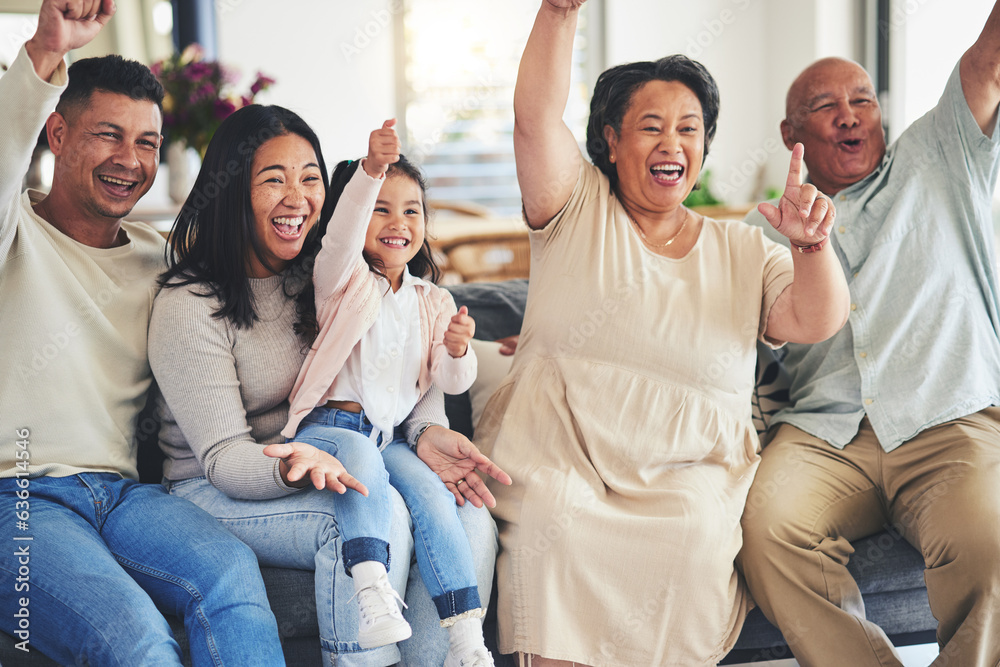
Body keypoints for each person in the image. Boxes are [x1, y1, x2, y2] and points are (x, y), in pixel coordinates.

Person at [472, 0, 850, 664]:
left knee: (699, 529)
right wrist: (559, 13)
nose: (672, 143)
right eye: (651, 126)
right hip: (564, 459)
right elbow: (534, 117)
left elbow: (815, 319)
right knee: (554, 527)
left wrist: (813, 246)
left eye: (689, 127)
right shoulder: (574, 208)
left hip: (688, 471)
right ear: (611, 140)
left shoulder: (743, 249)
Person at [149, 103, 502, 667]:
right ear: (232, 190)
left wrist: (430, 428)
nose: (298, 198)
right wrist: (294, 464)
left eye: (310, 178)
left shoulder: (325, 280)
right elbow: (220, 458)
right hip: (219, 487)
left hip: (346, 456)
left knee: (471, 517)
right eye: (273, 179)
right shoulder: (191, 304)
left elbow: (399, 363)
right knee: (375, 512)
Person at [0, 1, 286, 665]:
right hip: (18, 498)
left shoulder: (164, 262)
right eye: (108, 134)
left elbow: (281, 305)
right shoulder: (13, 234)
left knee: (231, 577)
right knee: (135, 639)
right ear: (57, 135)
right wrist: (46, 47)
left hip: (125, 494)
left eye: (148, 142)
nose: (130, 159)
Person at [737, 3, 1000, 665]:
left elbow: (988, 60)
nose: (849, 113)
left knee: (993, 540)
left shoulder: (940, 154)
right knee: (765, 528)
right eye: (826, 105)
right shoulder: (759, 231)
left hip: (947, 419)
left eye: (862, 99)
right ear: (789, 131)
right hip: (826, 434)